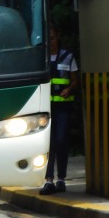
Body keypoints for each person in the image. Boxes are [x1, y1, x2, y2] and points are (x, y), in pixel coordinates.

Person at [40, 24, 79, 195]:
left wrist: (69, 89)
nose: (51, 41)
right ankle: (48, 180)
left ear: (59, 36)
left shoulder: (68, 57)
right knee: (48, 144)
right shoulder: (42, 58)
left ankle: (61, 178)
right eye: (49, 39)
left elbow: (75, 80)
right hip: (45, 108)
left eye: (53, 37)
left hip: (62, 107)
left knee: (61, 140)